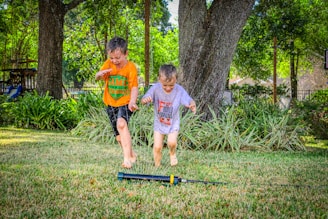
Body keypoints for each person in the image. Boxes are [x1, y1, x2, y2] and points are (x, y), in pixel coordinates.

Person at [95, 37, 138, 169]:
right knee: (119, 137)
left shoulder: (131, 68)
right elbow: (98, 77)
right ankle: (131, 155)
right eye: (112, 57)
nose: (114, 61)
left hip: (125, 102)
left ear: (126, 53)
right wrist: (100, 74)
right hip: (110, 103)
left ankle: (127, 160)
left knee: (121, 124)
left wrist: (132, 101)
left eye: (118, 58)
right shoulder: (108, 64)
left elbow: (134, 87)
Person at [141, 64, 196, 167]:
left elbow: (188, 99)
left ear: (176, 80)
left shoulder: (179, 90)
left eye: (171, 85)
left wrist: (192, 104)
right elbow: (146, 97)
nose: (168, 88)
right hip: (159, 123)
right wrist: (145, 99)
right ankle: (157, 166)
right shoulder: (155, 88)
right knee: (157, 147)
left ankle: (172, 153)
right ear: (159, 80)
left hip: (173, 122)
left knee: (171, 142)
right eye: (165, 86)